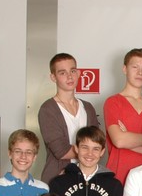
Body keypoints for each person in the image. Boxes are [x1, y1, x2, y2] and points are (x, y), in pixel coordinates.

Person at [104, 48, 142, 184]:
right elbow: (119, 140)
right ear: (125, 69)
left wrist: (128, 139)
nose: (140, 72)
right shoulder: (113, 102)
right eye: (135, 67)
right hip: (118, 178)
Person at [38, 53, 100, 183]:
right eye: (62, 73)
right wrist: (91, 150)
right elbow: (61, 151)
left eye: (72, 71)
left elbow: (98, 143)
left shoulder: (88, 108)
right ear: (53, 77)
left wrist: (93, 148)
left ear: (78, 73)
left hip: (88, 178)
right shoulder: (48, 109)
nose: (69, 76)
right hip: (58, 179)